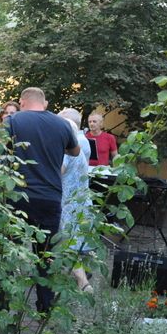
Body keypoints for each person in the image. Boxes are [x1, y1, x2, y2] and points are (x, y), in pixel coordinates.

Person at [6, 87, 80, 312]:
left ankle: (3, 305)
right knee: (46, 255)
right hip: (50, 197)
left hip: (18, 196)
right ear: (45, 103)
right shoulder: (62, 124)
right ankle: (44, 307)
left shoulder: (13, 121)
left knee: (9, 251)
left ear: (22, 102)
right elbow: (75, 151)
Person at [58, 108, 94, 292]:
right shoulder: (79, 148)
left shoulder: (66, 152)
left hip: (68, 204)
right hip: (81, 200)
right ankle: (70, 278)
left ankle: (83, 282)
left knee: (68, 243)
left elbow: (58, 174)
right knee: (74, 243)